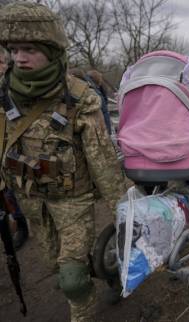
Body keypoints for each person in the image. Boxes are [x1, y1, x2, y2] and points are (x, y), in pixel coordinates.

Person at [0, 2, 126, 321]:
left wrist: (124, 212)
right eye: (13, 49)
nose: (19, 57)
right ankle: (106, 270)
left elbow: (104, 164)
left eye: (28, 48)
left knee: (71, 280)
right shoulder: (4, 95)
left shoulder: (80, 98)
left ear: (51, 50)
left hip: (74, 203)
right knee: (59, 268)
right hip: (33, 204)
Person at [0, 46, 29, 250]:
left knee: (13, 188)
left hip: (13, 144)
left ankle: (23, 224)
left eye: (1, 63)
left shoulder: (15, 86)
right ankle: (20, 224)